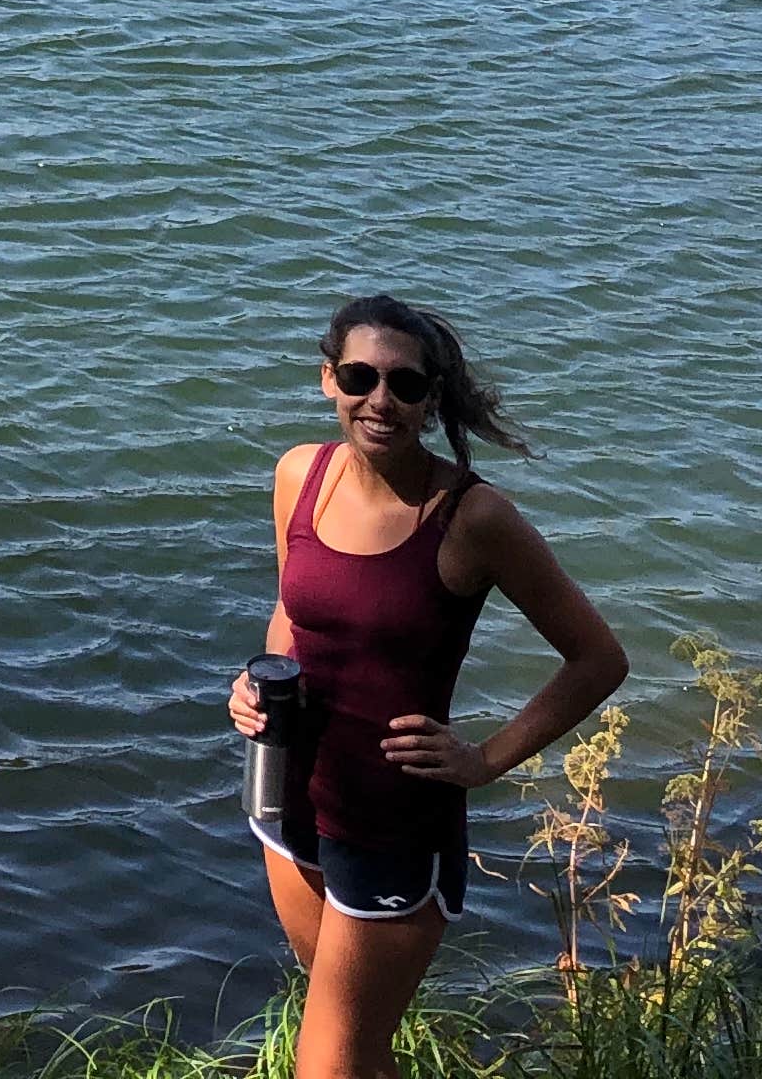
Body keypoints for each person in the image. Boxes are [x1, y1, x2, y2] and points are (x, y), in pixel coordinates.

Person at [226, 293, 626, 1078]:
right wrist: (253, 681)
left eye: (406, 385)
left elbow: (597, 659)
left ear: (432, 399)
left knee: (328, 1066)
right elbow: (291, 614)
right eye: (360, 376)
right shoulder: (298, 477)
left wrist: (486, 759)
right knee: (352, 1045)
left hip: (393, 824)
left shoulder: (470, 518)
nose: (380, 400)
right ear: (328, 379)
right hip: (286, 790)